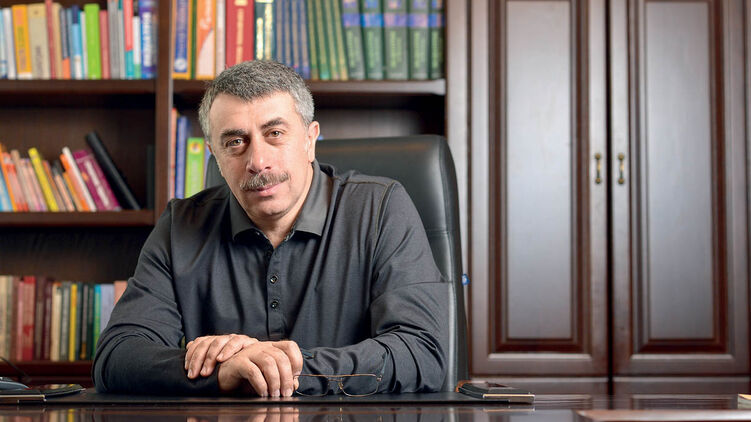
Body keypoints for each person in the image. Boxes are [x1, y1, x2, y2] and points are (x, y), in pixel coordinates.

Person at [93, 60, 448, 397]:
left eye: (275, 133)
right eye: (235, 142)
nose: (258, 162)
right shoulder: (181, 226)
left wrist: (278, 369)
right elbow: (117, 356)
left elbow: (421, 353)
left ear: (310, 140)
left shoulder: (381, 209)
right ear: (215, 155)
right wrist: (224, 371)